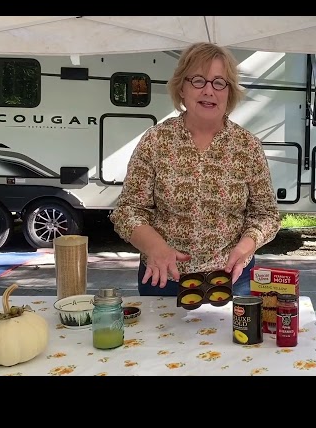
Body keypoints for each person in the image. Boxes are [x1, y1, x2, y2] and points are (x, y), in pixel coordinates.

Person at [110, 42, 281, 296]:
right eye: (198, 81)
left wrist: (246, 247)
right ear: (181, 88)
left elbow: (266, 215)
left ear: (229, 92)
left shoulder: (248, 147)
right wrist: (156, 247)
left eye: (219, 82)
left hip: (232, 280)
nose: (209, 91)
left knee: (235, 338)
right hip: (164, 278)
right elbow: (128, 211)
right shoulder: (156, 141)